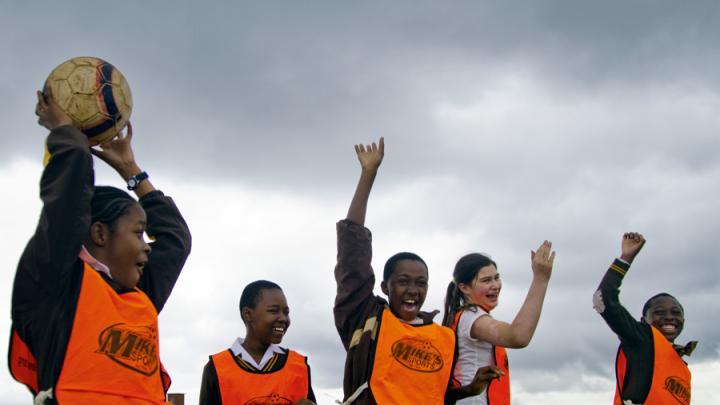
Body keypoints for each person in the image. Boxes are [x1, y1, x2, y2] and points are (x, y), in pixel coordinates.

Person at [8, 90, 192, 404]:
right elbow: (68, 201)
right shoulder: (56, 282)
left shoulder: (138, 297)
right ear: (99, 233)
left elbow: (176, 238)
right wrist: (66, 133)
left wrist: (131, 170)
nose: (147, 247)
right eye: (138, 233)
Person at [334, 138, 502, 405]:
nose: (413, 290)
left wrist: (471, 388)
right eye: (403, 282)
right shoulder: (365, 318)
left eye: (421, 283)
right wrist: (368, 175)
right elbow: (352, 258)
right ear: (385, 287)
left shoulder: (442, 337)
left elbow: (439, 396)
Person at [442, 241, 555, 405]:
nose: (495, 285)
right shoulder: (470, 316)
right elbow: (518, 337)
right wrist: (541, 279)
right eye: (486, 280)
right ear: (464, 288)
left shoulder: (465, 316)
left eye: (497, 278)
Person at [593, 232, 695, 405]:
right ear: (643, 320)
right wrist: (626, 258)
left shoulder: (682, 367)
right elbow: (602, 299)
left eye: (676, 313)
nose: (669, 317)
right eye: (660, 312)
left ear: (683, 321)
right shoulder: (642, 339)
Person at [199, 280, 316, 405]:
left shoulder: (299, 367)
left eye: (286, 312)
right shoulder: (217, 368)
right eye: (273, 311)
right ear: (248, 314)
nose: (283, 318)